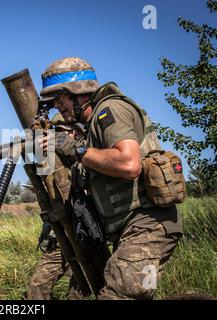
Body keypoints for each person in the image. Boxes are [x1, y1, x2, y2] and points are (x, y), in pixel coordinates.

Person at [38, 57, 183, 300]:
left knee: (116, 296)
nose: (56, 106)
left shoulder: (110, 110)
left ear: (79, 92)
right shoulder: (89, 128)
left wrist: (76, 150)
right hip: (128, 230)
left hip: (149, 226)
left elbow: (129, 164)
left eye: (60, 98)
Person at [27, 113, 86, 300]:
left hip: (85, 238)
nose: (58, 138)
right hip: (58, 240)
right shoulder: (48, 161)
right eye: (56, 133)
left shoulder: (85, 157)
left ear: (75, 134)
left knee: (78, 292)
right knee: (36, 289)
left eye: (64, 133)